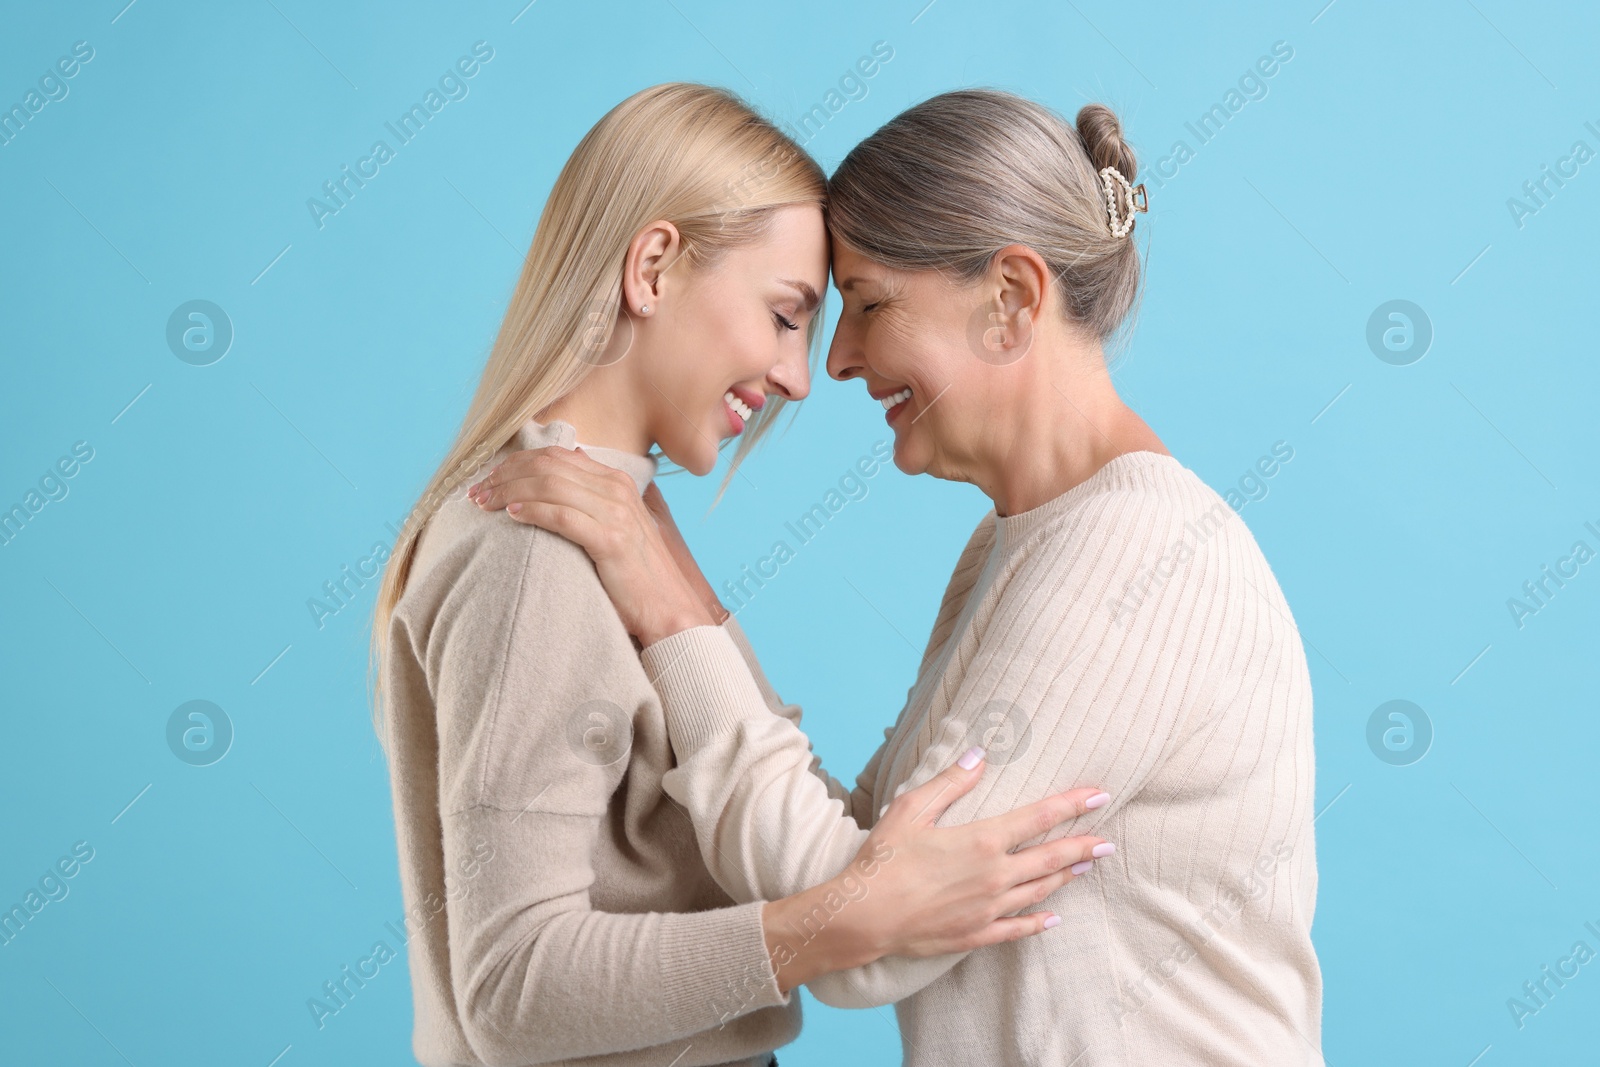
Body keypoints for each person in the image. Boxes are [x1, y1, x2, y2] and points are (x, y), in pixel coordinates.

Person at [472, 89, 1324, 1065]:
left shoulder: (1138, 560)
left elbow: (861, 942)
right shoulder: (1022, 543)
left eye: (868, 304)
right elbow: (863, 847)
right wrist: (672, 573)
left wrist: (661, 596)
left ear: (1010, 298)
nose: (833, 360)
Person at [371, 83, 1112, 1067]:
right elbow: (512, 986)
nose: (802, 375)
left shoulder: (619, 527)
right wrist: (833, 922)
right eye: (784, 314)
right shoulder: (530, 547)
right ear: (653, 266)